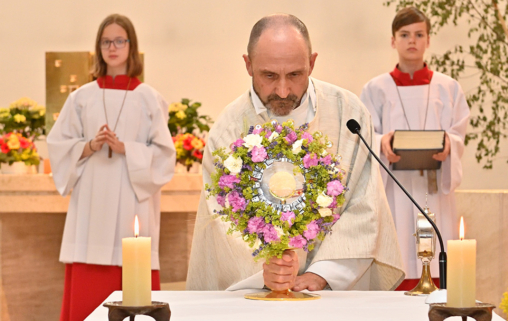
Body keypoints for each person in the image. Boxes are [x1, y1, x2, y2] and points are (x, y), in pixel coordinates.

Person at [186, 14, 404, 292]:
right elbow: (220, 221)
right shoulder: (228, 130)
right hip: (255, 292)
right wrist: (268, 268)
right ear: (248, 65)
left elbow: (364, 202)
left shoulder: (348, 114)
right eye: (269, 75)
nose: (283, 90)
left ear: (312, 63)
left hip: (332, 291)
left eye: (295, 74)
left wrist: (323, 273)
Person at [47, 14, 175, 321]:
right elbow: (58, 144)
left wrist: (125, 149)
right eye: (106, 41)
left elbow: (164, 155)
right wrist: (90, 145)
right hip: (91, 203)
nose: (112, 47)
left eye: (119, 40)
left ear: (131, 46)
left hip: (131, 199)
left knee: (133, 271)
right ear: (98, 48)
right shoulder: (81, 97)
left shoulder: (148, 98)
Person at [360, 7, 470, 291]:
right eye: (405, 35)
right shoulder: (376, 89)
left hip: (432, 186)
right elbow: (364, 135)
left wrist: (450, 144)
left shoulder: (448, 88)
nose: (412, 41)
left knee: (437, 254)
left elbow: (458, 133)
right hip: (396, 188)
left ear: (428, 40)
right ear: (393, 41)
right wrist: (381, 141)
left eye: (419, 35)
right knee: (398, 249)